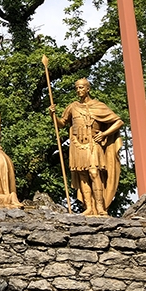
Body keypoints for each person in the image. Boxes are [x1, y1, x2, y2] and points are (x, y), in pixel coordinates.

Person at [49, 78, 123, 216]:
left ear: (88, 89)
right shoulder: (73, 106)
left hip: (92, 143)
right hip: (77, 144)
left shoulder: (99, 105)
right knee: (82, 175)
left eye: (81, 87)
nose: (79, 90)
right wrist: (52, 114)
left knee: (94, 173)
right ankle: (88, 207)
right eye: (77, 88)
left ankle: (100, 208)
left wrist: (104, 134)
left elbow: (118, 121)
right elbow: (61, 123)